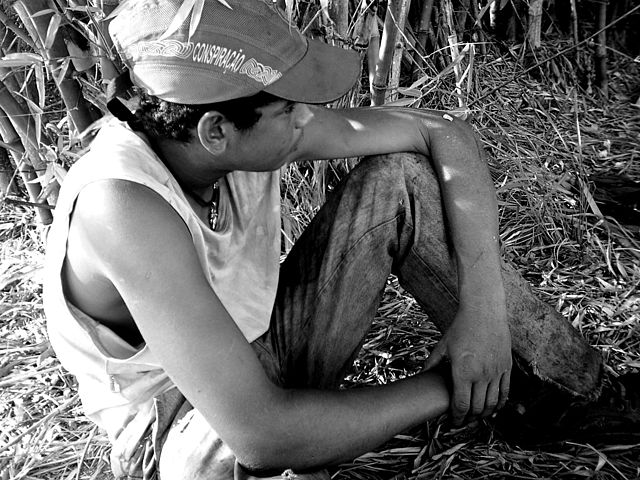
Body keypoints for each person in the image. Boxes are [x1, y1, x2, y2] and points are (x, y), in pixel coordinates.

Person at [43, 1, 633, 479]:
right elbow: (260, 436)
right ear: (215, 129)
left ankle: (589, 397)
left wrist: (483, 317)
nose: (306, 119)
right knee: (229, 456)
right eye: (288, 108)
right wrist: (449, 386)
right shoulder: (121, 206)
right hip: (183, 428)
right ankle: (508, 390)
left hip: (258, 351)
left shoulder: (223, 135)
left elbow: (442, 132)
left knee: (397, 177)